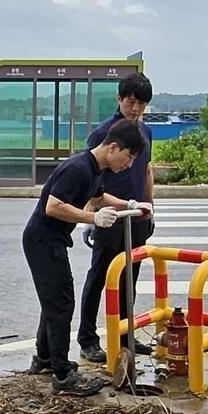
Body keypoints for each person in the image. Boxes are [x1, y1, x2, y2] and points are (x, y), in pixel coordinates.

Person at [22, 118, 150, 396]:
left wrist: (129, 204)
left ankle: (44, 358)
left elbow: (100, 196)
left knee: (54, 300)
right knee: (62, 303)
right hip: (43, 240)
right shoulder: (78, 168)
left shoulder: (95, 169)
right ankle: (62, 374)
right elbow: (53, 206)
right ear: (114, 148)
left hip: (52, 240)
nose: (128, 165)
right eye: (128, 158)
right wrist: (92, 217)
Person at [78, 73, 156, 364]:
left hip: (137, 217)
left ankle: (126, 335)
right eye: (131, 102)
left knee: (130, 279)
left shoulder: (145, 132)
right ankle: (87, 339)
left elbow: (147, 169)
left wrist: (150, 207)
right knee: (99, 277)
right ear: (120, 99)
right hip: (111, 216)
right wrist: (91, 217)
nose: (135, 109)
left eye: (141, 104)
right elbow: (92, 180)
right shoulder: (104, 134)